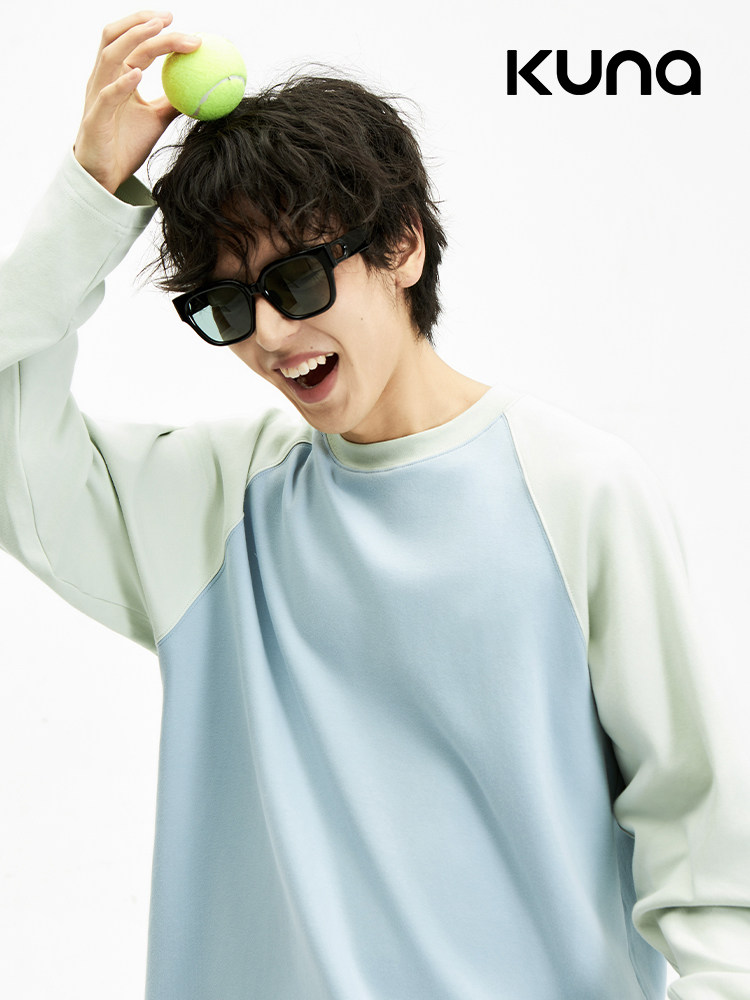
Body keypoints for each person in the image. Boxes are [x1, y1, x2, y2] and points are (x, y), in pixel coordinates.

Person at [1, 10, 748, 1000]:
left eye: (298, 278)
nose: (270, 335)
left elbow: (705, 848)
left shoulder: (578, 490)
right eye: (229, 305)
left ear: (401, 246)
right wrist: (92, 189)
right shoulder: (213, 508)